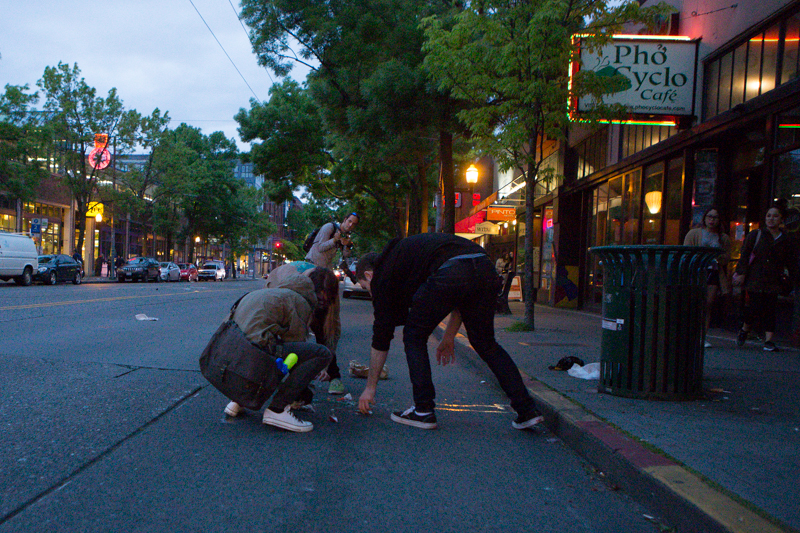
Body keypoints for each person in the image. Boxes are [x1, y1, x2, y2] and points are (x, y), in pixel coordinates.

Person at [354, 233, 544, 430]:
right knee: (485, 343)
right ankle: (527, 409)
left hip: (454, 269)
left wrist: (370, 388)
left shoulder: (384, 276)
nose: (370, 292)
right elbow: (460, 295)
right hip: (484, 266)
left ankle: (423, 410)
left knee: (413, 335)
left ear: (369, 275)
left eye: (365, 287)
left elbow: (381, 338)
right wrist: (448, 336)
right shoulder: (406, 257)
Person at [222, 271, 333, 432]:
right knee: (318, 354)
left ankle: (238, 400)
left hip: (227, 357)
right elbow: (295, 347)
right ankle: (278, 409)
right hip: (253, 355)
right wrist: (302, 391)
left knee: (268, 347)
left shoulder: (260, 293)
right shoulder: (298, 301)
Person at [304, 212, 360, 395]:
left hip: (325, 277)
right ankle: (302, 372)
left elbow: (345, 258)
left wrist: (346, 246)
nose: (350, 225)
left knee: (327, 324)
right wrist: (335, 240)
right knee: (306, 320)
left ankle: (331, 371)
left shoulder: (345, 236)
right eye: (349, 221)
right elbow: (319, 249)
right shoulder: (329, 227)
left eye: (354, 224)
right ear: (344, 220)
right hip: (311, 272)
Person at [266, 262, 342, 397]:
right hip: (280, 287)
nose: (323, 302)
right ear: (312, 293)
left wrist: (324, 365)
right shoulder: (292, 291)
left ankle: (333, 374)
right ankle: (272, 381)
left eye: (327, 299)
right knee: (283, 346)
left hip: (307, 293)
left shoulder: (330, 291)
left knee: (323, 331)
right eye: (320, 299)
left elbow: (333, 332)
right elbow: (295, 338)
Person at [732, 205, 799, 352]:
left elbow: (791, 261)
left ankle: (768, 340)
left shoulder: (786, 239)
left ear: (781, 219)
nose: (771, 219)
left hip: (774, 279)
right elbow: (745, 254)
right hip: (755, 277)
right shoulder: (756, 235)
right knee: (754, 306)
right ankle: (744, 329)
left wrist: (793, 278)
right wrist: (742, 272)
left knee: (770, 308)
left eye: (775, 216)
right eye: (769, 215)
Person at [683, 207, 731, 348]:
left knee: (708, 303)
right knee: (695, 303)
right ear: (704, 218)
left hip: (713, 272)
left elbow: (726, 256)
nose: (712, 220)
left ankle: (702, 336)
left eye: (715, 217)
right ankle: (690, 334)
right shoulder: (694, 233)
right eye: (709, 216)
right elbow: (686, 251)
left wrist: (717, 257)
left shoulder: (723, 237)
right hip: (696, 271)